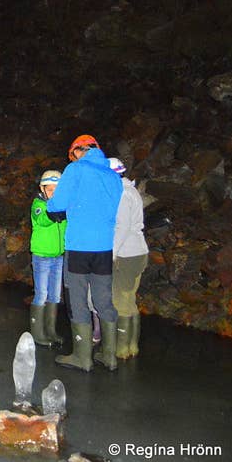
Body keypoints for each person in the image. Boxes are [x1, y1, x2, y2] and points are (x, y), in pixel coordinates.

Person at [47, 134, 122, 372]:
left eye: (73, 154)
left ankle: (82, 357)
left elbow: (57, 204)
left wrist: (51, 202)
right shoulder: (113, 176)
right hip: (104, 248)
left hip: (79, 246)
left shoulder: (75, 169)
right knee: (103, 300)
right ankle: (109, 356)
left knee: (77, 300)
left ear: (78, 150)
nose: (73, 158)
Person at [108, 157, 148, 359]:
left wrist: (112, 252)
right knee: (130, 299)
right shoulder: (131, 191)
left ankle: (121, 349)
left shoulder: (122, 195)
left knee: (120, 300)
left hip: (127, 254)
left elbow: (121, 227)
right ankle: (132, 346)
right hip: (139, 252)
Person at [29, 170, 66, 346]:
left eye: (56, 190)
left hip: (58, 256)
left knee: (55, 295)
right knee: (42, 293)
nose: (53, 193)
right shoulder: (38, 204)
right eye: (50, 189)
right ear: (42, 189)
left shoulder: (63, 207)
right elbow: (42, 219)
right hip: (42, 256)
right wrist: (54, 213)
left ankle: (51, 330)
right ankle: (37, 333)